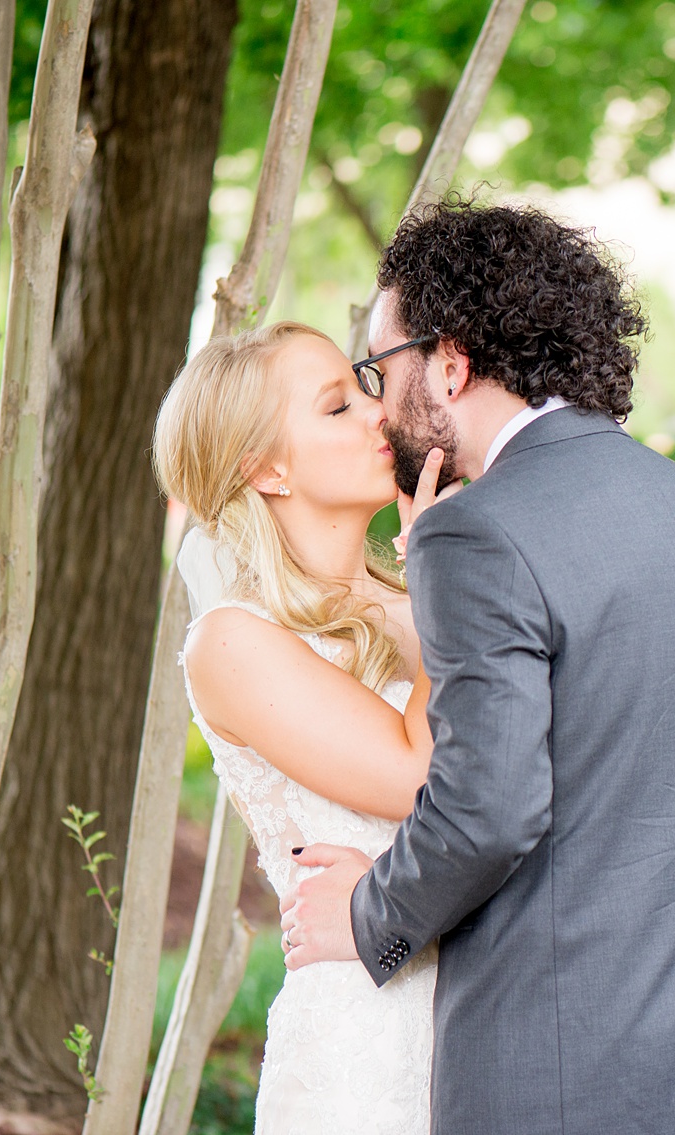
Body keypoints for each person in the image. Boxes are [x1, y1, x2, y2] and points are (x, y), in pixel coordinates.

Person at [278, 199, 675, 1135]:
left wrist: (370, 912)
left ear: (449, 363)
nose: (377, 399)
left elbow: (489, 808)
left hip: (561, 1077)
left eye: (380, 365)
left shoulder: (473, 531)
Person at [154, 319, 453, 1133]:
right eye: (335, 407)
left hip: (486, 1016)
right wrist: (445, 590)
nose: (376, 412)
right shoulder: (234, 641)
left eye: (363, 387)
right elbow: (421, 779)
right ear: (265, 467)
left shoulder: (414, 602)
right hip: (367, 1042)